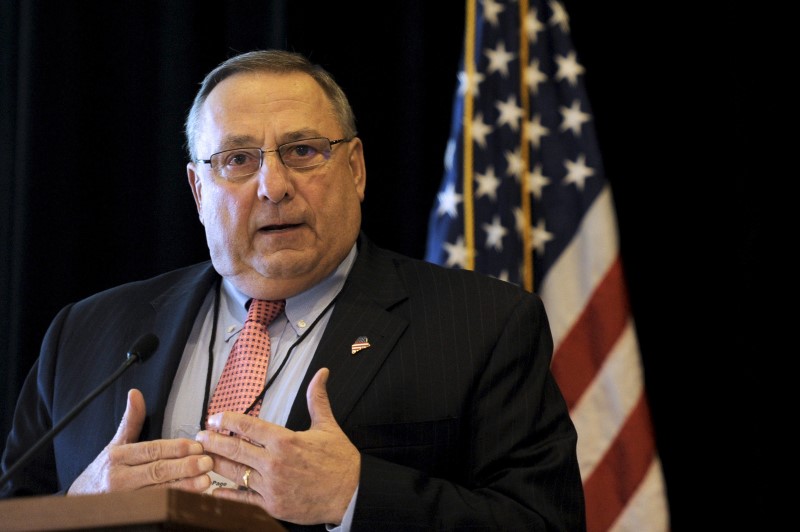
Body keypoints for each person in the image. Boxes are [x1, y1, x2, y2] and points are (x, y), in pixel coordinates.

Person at [0, 49, 586, 530]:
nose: (273, 186)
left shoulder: (483, 326)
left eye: (303, 152)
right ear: (199, 190)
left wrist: (356, 495)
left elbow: (544, 523)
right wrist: (82, 508)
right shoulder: (85, 333)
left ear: (355, 169)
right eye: (237, 159)